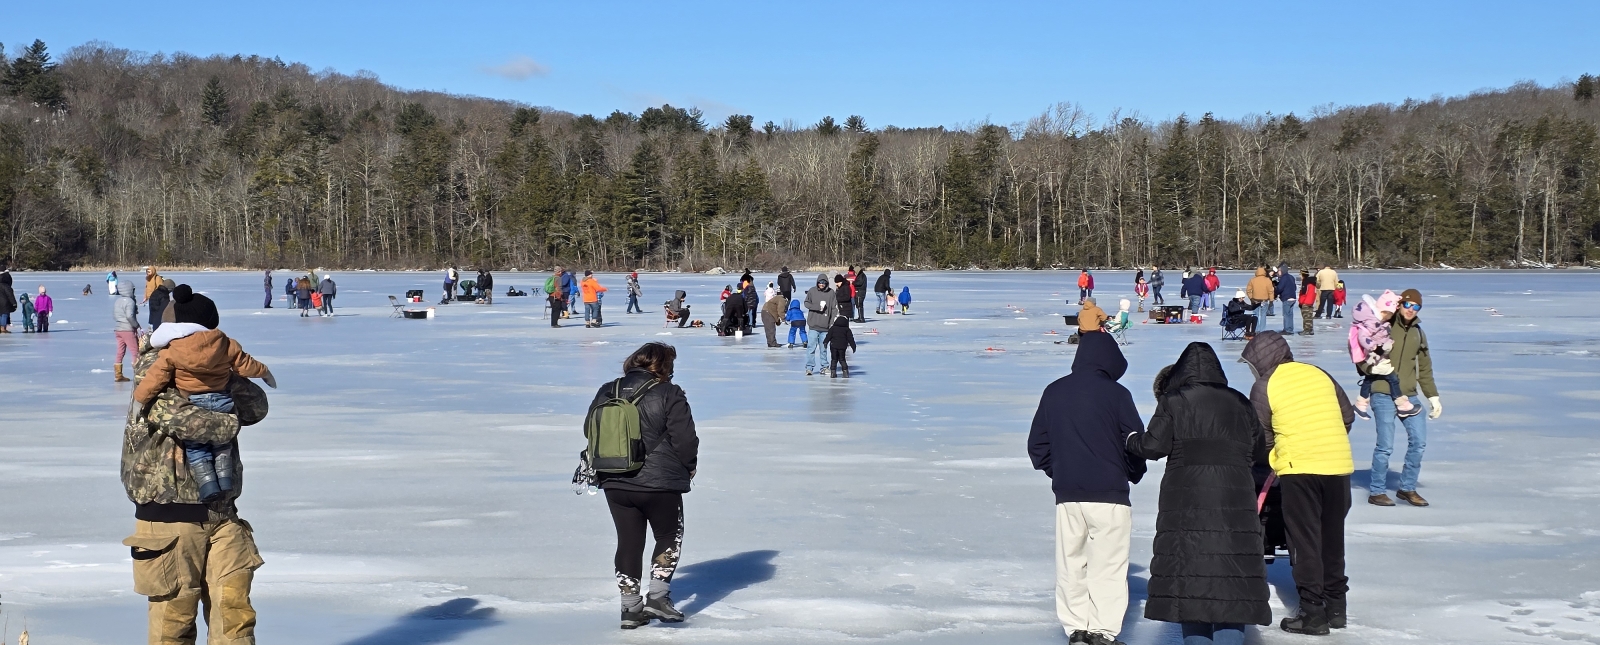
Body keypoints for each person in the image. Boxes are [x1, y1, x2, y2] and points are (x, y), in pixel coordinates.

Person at [122, 320, 272, 644]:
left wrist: (226, 372)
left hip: (222, 514)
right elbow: (194, 425)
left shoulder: (215, 365)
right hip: (169, 521)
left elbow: (258, 407)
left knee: (236, 619)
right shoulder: (153, 368)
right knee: (173, 626)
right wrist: (230, 416)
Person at [1126, 342, 1272, 644]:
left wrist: (1129, 440)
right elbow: (1260, 451)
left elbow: (1153, 446)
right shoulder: (1241, 404)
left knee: (1190, 588)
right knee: (1233, 592)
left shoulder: (1174, 401)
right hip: (1236, 507)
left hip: (1187, 505)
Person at [1027, 332, 1145, 645]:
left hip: (1068, 495)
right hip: (1110, 496)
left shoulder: (1054, 392)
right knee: (1108, 566)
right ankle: (1102, 632)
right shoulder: (1117, 395)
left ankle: (1076, 628)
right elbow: (1135, 444)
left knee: (1070, 563)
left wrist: (1060, 471)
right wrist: (1131, 473)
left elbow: (1037, 446)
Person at [1241, 331, 1355, 635]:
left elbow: (1260, 440)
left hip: (1300, 468)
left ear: (1260, 360)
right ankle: (1337, 607)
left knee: (1304, 542)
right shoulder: (1320, 374)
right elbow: (1346, 416)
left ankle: (1313, 613)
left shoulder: (1265, 386)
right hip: (1338, 465)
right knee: (1332, 539)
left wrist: (1275, 457)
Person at [588, 343, 699, 629]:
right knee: (668, 535)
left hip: (614, 479)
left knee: (628, 541)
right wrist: (689, 466)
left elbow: (590, 428)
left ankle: (630, 609)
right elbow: (685, 439)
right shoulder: (669, 392)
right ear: (664, 366)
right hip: (660, 482)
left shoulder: (607, 389)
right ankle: (659, 599)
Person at [135, 285, 275, 508]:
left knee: (199, 447)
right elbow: (182, 420)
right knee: (210, 444)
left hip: (219, 510)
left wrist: (230, 380)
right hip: (170, 501)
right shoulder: (153, 361)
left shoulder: (176, 354)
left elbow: (257, 410)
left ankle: (213, 483)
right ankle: (216, 481)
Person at [1366, 289, 1441, 508]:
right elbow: (1360, 351)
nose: (1410, 310)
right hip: (1383, 391)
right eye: (1407, 305)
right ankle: (1377, 491)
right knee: (1385, 446)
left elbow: (1424, 368)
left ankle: (1407, 488)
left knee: (1419, 442)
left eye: (1416, 307)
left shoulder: (1419, 333)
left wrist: (1432, 396)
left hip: (1408, 394)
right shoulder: (1384, 325)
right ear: (1399, 305)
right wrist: (1371, 369)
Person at [1348, 291, 1419, 419]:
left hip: (1377, 356)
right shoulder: (1371, 323)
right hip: (1373, 356)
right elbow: (1363, 337)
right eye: (1407, 304)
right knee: (1392, 377)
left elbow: (1383, 335)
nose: (1388, 317)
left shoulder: (1381, 322)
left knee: (1369, 379)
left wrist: (1387, 343)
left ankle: (1360, 403)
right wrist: (1375, 348)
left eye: (1416, 307)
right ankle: (1401, 403)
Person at [803, 275, 837, 376]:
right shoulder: (812, 291)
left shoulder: (831, 293)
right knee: (811, 348)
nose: (821, 284)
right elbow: (806, 303)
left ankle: (824, 367)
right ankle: (809, 368)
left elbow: (834, 308)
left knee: (824, 349)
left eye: (823, 282)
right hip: (813, 326)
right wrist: (817, 307)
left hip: (825, 327)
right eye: (819, 282)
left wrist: (832, 322)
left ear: (826, 283)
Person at [113, 281, 140, 382]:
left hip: (118, 329)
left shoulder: (118, 301)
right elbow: (129, 316)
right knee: (135, 352)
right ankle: (138, 374)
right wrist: (136, 325)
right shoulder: (130, 301)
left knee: (120, 352)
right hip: (127, 330)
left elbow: (115, 315)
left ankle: (118, 374)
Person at [1275, 264, 1298, 334]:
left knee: (1286, 315)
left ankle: (1287, 330)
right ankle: (1290, 328)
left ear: (1282, 271)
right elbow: (1295, 287)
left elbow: (1280, 288)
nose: (1278, 272)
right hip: (1293, 297)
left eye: (1279, 271)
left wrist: (1275, 291)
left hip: (1287, 298)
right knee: (1290, 314)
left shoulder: (1284, 278)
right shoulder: (1291, 277)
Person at [1297, 271, 1317, 335]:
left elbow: (1303, 294)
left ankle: (1307, 330)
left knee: (1306, 317)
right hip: (1311, 302)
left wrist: (1301, 302)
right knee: (1309, 317)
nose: (1300, 276)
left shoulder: (1306, 283)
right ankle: (1310, 329)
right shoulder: (1313, 283)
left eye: (1300, 275)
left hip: (1306, 302)